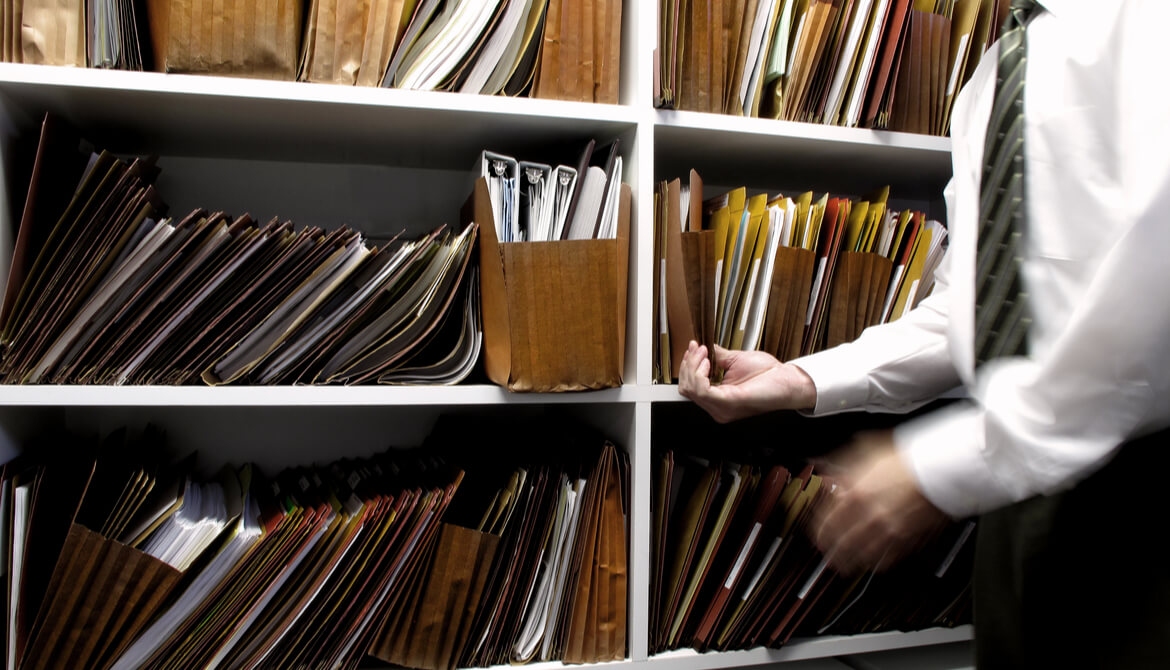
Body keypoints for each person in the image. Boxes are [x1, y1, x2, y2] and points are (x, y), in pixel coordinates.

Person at [678, 1, 1170, 667]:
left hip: (1135, 486)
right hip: (1018, 489)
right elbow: (970, 306)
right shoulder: (991, 79)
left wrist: (940, 468)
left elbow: (1152, 308)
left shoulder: (1144, 23)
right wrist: (799, 380)